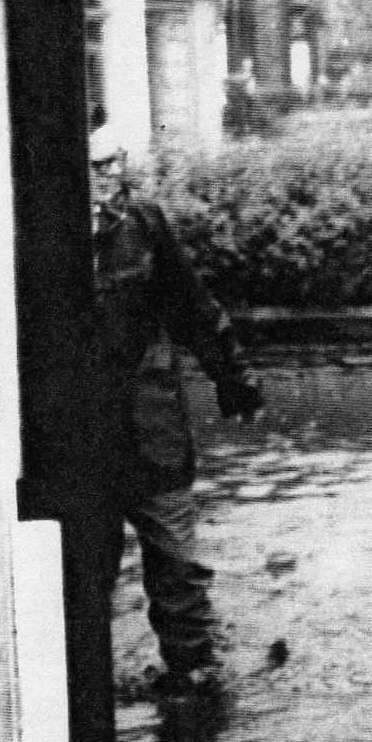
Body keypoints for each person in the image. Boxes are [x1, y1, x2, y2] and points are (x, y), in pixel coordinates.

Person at [85, 121, 265, 694]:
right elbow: (11, 327)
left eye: (116, 162)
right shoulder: (37, 234)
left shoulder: (145, 224)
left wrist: (233, 380)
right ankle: (80, 699)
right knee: (82, 575)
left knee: (177, 564)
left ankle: (195, 677)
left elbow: (192, 306)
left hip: (151, 422)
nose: (112, 176)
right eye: (96, 167)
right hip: (80, 437)